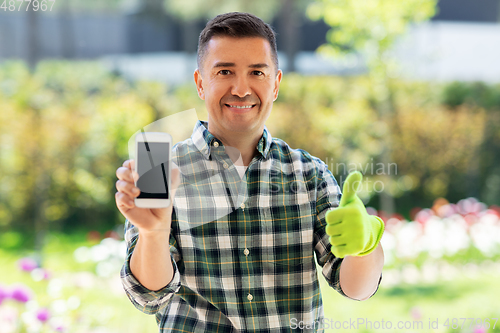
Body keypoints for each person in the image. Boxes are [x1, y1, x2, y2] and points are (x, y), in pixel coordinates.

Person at [115, 12, 384, 332]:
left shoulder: (309, 174)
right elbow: (148, 296)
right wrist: (153, 233)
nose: (241, 89)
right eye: (225, 71)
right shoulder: (161, 170)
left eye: (257, 72)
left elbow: (357, 288)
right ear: (201, 83)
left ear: (275, 84)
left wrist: (365, 243)